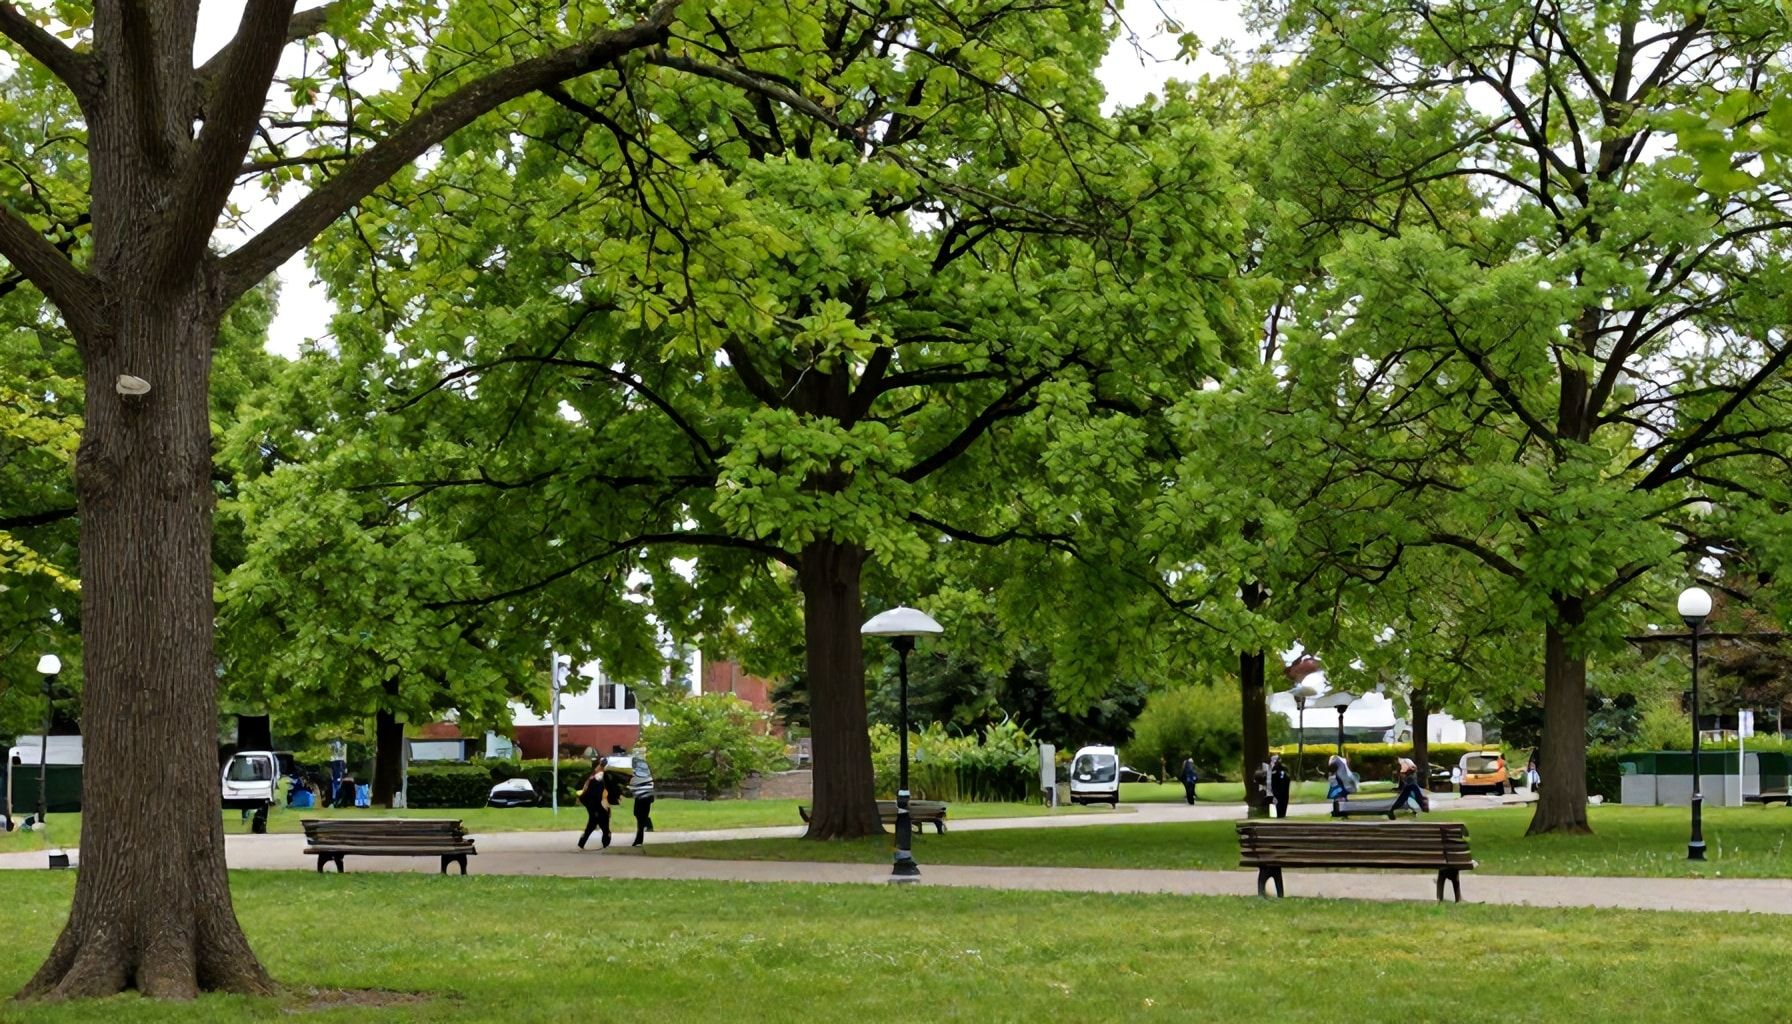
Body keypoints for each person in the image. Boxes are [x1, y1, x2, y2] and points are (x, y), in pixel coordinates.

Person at [576, 757, 613, 850]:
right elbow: (598, 795)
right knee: (604, 826)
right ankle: (606, 845)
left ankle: (582, 843)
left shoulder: (593, 776)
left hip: (592, 804)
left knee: (592, 824)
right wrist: (603, 807)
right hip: (597, 805)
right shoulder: (599, 777)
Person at [627, 748, 656, 846]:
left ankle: (639, 839)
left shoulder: (639, 767)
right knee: (639, 815)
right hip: (644, 794)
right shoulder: (642, 766)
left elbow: (636, 779)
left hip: (643, 795)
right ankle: (645, 829)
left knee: (640, 816)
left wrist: (630, 787)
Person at [1268, 754, 1292, 818]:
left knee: (1281, 801)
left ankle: (1281, 814)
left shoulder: (1275, 769)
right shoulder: (1281, 768)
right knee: (1281, 801)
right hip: (1280, 788)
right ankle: (1281, 814)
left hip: (1280, 787)